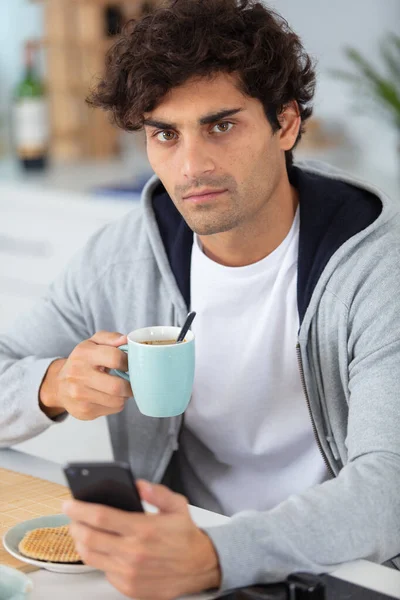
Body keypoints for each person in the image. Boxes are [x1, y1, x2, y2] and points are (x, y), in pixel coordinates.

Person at [1, 0, 399, 598]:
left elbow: (387, 486)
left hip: (336, 569)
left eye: (221, 125)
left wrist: (220, 553)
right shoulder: (120, 258)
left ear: (285, 124)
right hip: (181, 555)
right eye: (165, 133)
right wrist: (52, 385)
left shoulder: (378, 270)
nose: (190, 167)